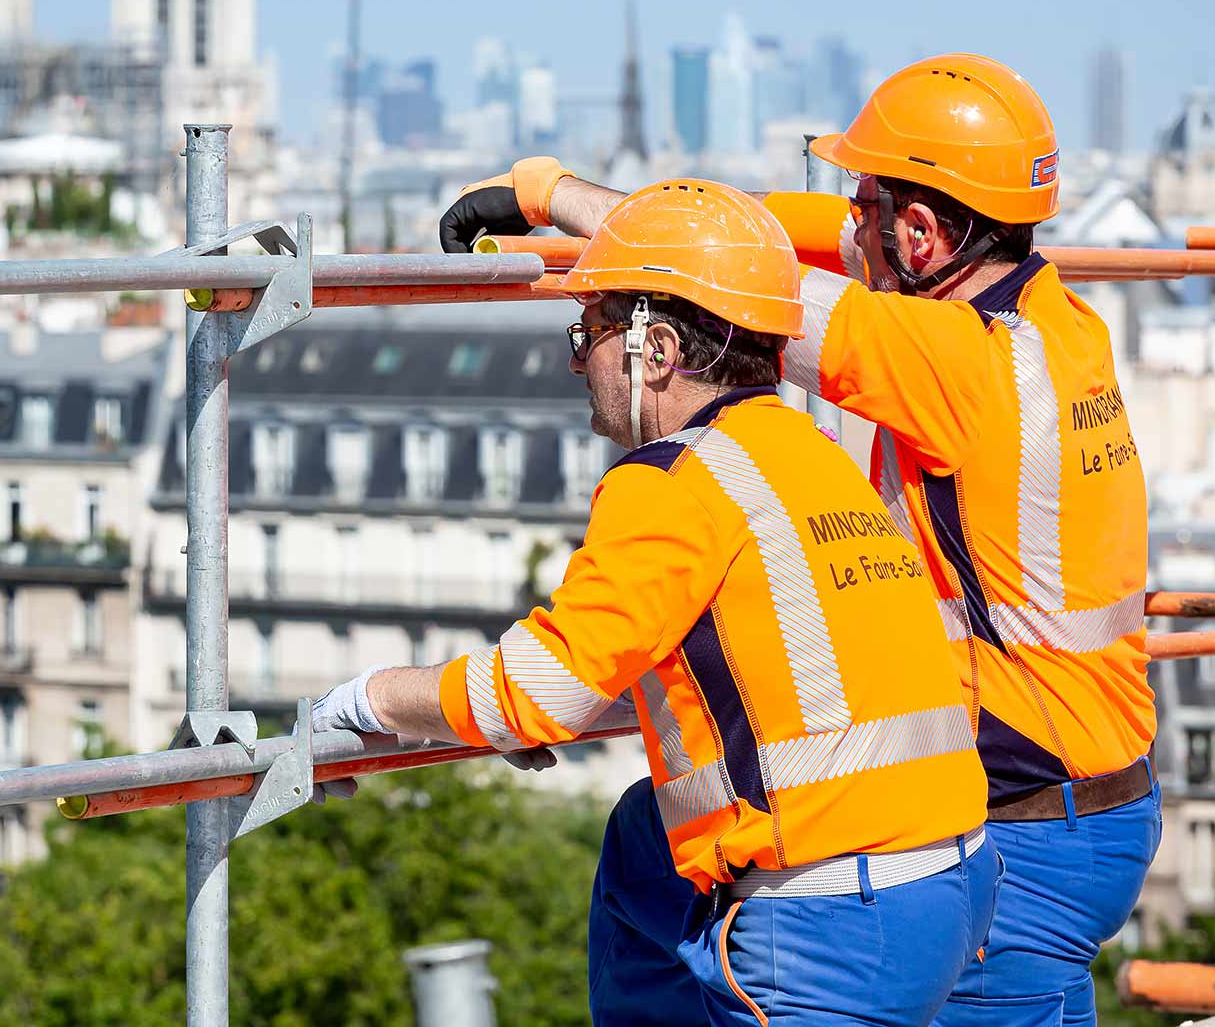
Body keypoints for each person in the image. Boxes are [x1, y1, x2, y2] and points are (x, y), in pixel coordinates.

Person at [440, 55, 1158, 1026]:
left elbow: (726, 279)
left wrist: (549, 191)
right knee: (648, 850)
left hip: (1019, 823)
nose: (848, 222)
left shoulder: (950, 361)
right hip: (1084, 797)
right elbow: (761, 228)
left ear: (920, 230)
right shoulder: (1057, 323)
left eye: (864, 205)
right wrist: (571, 197)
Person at [316, 179, 999, 1025]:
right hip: (954, 880)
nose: (579, 358)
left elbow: (531, 692)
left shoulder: (673, 479)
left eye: (593, 330)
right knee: (645, 838)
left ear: (658, 349)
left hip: (834, 926)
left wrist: (363, 703)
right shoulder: (808, 450)